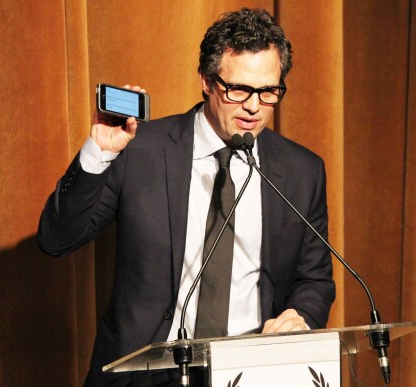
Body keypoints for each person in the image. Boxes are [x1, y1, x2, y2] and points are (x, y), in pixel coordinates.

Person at [38, 7, 335, 386]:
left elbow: (315, 280)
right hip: (144, 374)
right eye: (239, 89)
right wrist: (99, 153)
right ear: (207, 82)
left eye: (269, 92)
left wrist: (301, 315)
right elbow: (55, 240)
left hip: (251, 374)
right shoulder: (141, 151)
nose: (253, 106)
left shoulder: (301, 171)